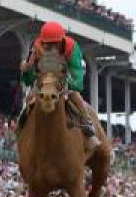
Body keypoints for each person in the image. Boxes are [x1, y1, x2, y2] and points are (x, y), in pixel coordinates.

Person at [18, 21, 101, 152]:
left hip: (65, 76)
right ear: (42, 40)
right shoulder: (36, 47)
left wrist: (68, 85)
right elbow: (28, 77)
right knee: (29, 99)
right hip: (44, 78)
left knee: (75, 97)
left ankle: (88, 127)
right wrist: (26, 69)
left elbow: (77, 77)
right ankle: (20, 129)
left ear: (62, 40)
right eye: (47, 43)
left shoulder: (72, 47)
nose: (50, 46)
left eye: (54, 43)